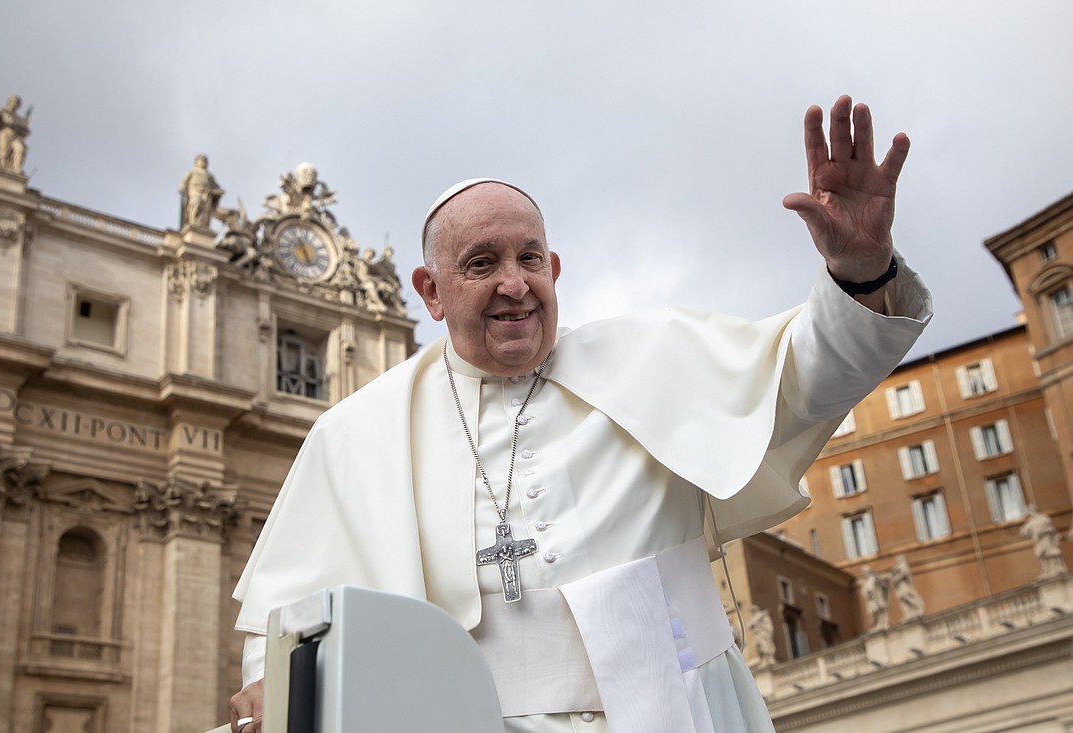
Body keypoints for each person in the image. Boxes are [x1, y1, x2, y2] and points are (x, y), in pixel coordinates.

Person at [229, 96, 932, 732]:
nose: (515, 284)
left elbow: (810, 378)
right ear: (430, 291)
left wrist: (861, 270)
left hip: (683, 708)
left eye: (530, 257)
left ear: (554, 269)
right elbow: (285, 619)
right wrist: (273, 688)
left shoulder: (653, 357)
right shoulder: (358, 432)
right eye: (482, 263)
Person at [0, 95, 32, 174]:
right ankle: (2, 173)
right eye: (13, 101)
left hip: (15, 137)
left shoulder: (18, 117)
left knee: (20, 149)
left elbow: (24, 126)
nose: (15, 103)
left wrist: (27, 117)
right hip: (4, 134)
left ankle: (16, 170)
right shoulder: (3, 111)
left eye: (17, 102)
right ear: (9, 102)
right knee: (4, 153)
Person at [179, 154, 224, 229]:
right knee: (196, 203)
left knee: (205, 211)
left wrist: (218, 191)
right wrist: (183, 188)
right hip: (194, 191)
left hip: (206, 194)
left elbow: (216, 187)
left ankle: (201, 227)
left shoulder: (209, 175)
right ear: (196, 162)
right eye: (201, 160)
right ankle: (193, 223)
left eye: (205, 161)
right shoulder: (192, 172)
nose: (203, 162)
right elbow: (184, 182)